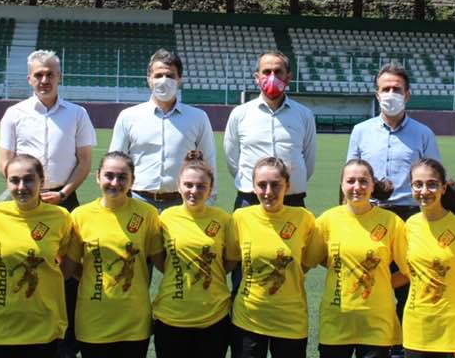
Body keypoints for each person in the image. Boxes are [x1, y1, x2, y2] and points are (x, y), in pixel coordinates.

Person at [0, 49, 95, 358]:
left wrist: (63, 193)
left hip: (64, 200)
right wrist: (31, 193)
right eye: (38, 74)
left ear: (59, 77)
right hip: (27, 202)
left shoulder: (77, 114)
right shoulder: (14, 114)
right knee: (27, 263)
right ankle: (26, 330)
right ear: (29, 78)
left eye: (50, 74)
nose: (44, 80)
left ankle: (67, 342)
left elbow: (84, 161)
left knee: (69, 270)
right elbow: (4, 162)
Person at [346, 62, 439, 351]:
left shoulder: (423, 134)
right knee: (368, 280)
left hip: (409, 217)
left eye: (396, 89)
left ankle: (403, 346)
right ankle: (369, 343)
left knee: (408, 284)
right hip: (370, 215)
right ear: (377, 94)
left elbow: (434, 176)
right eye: (385, 89)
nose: (391, 94)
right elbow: (349, 175)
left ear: (407, 94)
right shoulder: (360, 131)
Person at [0, 154, 78, 358]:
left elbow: (66, 263)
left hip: (44, 324)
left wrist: (50, 280)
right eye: (14, 180)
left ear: (42, 181)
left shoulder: (60, 217)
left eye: (28, 179)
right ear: (7, 182)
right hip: (0, 324)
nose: (21, 187)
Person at [70, 151, 163, 358]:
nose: (115, 182)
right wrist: (92, 277)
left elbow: (161, 262)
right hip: (94, 320)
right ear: (98, 176)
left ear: (132, 180)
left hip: (134, 321)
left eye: (122, 177)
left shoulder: (147, 214)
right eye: (109, 175)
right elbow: (69, 264)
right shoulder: (80, 216)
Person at [228, 157, 322, 358]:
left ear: (287, 186)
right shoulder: (240, 218)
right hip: (248, 320)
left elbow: (305, 264)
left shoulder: (304, 219)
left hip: (291, 321)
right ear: (253, 187)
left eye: (275, 185)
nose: (268, 191)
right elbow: (231, 260)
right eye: (262, 185)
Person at [314, 159, 409, 358]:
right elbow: (314, 259)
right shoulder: (327, 221)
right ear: (342, 185)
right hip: (336, 321)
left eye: (363, 181)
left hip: (376, 323)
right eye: (351, 181)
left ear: (373, 186)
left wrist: (382, 282)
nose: (357, 187)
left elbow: (408, 271)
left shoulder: (392, 222)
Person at [151, 151, 238, 358]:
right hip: (172, 316)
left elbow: (230, 261)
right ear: (178, 185)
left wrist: (209, 271)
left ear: (210, 188)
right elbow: (159, 259)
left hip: (214, 316)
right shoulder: (165, 218)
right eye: (188, 185)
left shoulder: (224, 219)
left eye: (201, 186)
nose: (194, 191)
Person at [110, 49, 215, 211]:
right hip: (138, 201)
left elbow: (208, 161)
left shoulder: (198, 117)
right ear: (149, 80)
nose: (164, 80)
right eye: (158, 75)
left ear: (179, 80)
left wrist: (209, 201)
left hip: (181, 203)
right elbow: (115, 162)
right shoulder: (128, 117)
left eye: (170, 75)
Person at [224, 50, 316, 209]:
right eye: (266, 72)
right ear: (257, 77)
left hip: (292, 199)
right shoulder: (240, 114)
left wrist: (285, 183)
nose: (272, 77)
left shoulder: (304, 115)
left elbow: (309, 159)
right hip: (250, 199)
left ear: (288, 77)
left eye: (278, 72)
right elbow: (232, 159)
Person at [402, 158, 455, 358]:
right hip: (416, 328)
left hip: (454, 329)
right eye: (418, 184)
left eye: (432, 184)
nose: (424, 191)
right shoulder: (409, 226)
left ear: (443, 188)